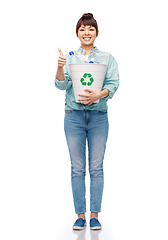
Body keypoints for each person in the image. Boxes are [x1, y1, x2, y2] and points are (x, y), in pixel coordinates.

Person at [55, 13, 119, 230]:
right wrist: (60, 66)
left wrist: (96, 96)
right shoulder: (70, 57)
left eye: (90, 29)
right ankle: (80, 215)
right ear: (77, 33)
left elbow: (113, 84)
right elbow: (61, 85)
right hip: (73, 116)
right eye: (82, 29)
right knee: (77, 168)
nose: (86, 32)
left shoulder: (107, 58)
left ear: (97, 32)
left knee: (96, 168)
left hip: (99, 117)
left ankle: (94, 215)